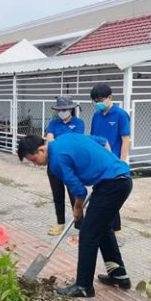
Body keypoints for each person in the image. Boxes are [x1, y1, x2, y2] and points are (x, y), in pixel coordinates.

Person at [18, 134, 132, 297]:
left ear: (42, 149)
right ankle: (119, 275)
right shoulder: (65, 138)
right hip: (119, 180)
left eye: (34, 160)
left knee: (88, 234)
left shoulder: (56, 160)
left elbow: (79, 190)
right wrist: (108, 163)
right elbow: (102, 141)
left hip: (112, 185)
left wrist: (77, 208)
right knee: (103, 229)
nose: (36, 164)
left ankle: (84, 286)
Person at [90, 83, 131, 233]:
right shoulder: (96, 115)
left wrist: (121, 161)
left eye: (100, 100)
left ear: (110, 98)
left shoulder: (120, 115)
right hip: (100, 161)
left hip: (114, 162)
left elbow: (125, 139)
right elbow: (94, 137)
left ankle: (116, 230)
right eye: (95, 101)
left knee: (113, 196)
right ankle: (105, 226)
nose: (98, 103)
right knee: (102, 193)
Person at [45, 96, 85, 235]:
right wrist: (59, 143)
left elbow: (74, 141)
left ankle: (80, 225)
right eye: (59, 110)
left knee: (74, 193)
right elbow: (50, 140)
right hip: (54, 163)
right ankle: (60, 223)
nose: (62, 112)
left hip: (71, 165)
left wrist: (58, 142)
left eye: (64, 110)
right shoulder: (53, 123)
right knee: (57, 195)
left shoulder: (79, 123)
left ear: (71, 109)